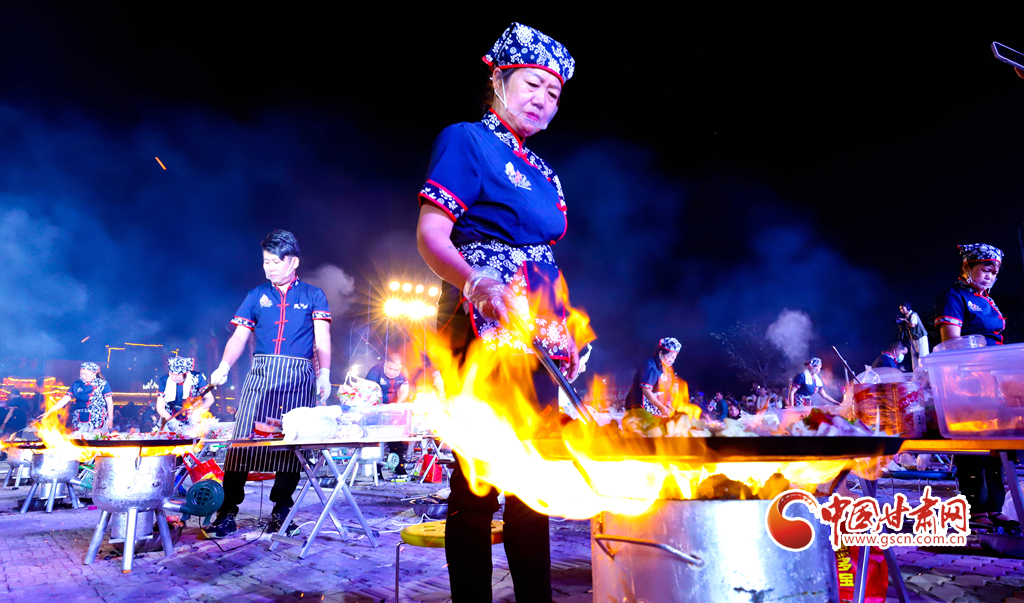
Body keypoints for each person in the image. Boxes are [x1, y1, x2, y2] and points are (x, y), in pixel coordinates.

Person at [415, 22, 578, 602]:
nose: (543, 99)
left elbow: (545, 261)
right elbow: (432, 234)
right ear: (499, 79)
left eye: (553, 92)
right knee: (479, 482)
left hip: (538, 330)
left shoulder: (546, 173)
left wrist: (563, 330)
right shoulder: (466, 140)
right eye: (532, 84)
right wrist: (476, 280)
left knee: (533, 482)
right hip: (480, 317)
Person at [205, 230, 333, 539]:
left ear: (294, 262)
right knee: (242, 442)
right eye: (266, 261)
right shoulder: (256, 295)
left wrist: (325, 373)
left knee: (290, 445)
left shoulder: (314, 295)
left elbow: (322, 337)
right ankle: (227, 511)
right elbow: (239, 337)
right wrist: (224, 366)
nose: (270, 267)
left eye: (276, 261)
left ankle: (281, 511)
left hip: (298, 378)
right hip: (261, 375)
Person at [935, 243, 1015, 529]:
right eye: (985, 269)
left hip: (996, 380)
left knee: (996, 444)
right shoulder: (955, 296)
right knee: (973, 445)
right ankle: (976, 509)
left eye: (994, 272)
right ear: (967, 267)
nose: (990, 276)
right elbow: (951, 341)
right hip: (968, 380)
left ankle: (994, 507)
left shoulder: (988, 301)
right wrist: (972, 374)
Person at [365, 353, 410, 477]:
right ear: (385, 364)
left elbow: (404, 390)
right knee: (376, 441)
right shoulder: (375, 372)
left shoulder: (403, 373)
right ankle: (376, 471)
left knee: (396, 440)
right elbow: (369, 392)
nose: (393, 372)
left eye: (396, 370)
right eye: (390, 368)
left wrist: (397, 405)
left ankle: (398, 468)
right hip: (376, 407)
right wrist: (379, 407)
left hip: (392, 408)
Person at [45, 362, 114, 433]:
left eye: (85, 374)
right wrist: (50, 411)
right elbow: (64, 400)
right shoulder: (76, 384)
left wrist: (110, 419)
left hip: (97, 417)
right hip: (79, 417)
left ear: (94, 373)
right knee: (79, 437)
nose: (83, 376)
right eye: (81, 373)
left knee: (95, 437)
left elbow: (109, 402)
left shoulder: (103, 384)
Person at [623, 338, 681, 417]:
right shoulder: (650, 365)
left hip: (654, 408)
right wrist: (661, 407)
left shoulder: (666, 368)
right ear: (661, 353)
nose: (671, 360)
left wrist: (667, 404)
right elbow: (646, 390)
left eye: (674, 358)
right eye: (669, 356)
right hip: (639, 405)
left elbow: (666, 390)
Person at [156, 357, 214, 430]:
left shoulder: (197, 378)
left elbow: (210, 399)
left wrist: (197, 412)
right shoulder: (164, 380)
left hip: (193, 417)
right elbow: (160, 406)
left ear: (185, 373)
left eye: (177, 374)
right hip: (170, 417)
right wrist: (171, 421)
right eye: (171, 373)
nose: (173, 377)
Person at [897, 303, 929, 369]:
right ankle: (916, 372)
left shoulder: (913, 315)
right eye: (900, 309)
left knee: (923, 355)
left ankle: (925, 371)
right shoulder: (907, 317)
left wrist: (905, 320)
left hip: (920, 337)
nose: (901, 310)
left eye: (902, 308)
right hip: (913, 338)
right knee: (914, 357)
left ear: (908, 307)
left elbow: (912, 325)